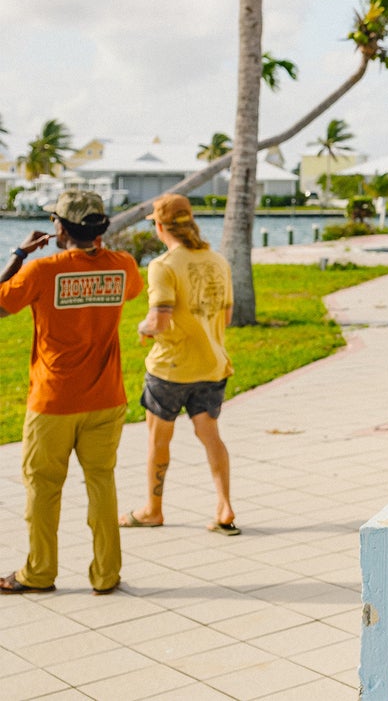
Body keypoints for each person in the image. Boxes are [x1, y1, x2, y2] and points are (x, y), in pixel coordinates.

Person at [0, 189, 143, 594]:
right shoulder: (125, 267)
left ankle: (39, 573)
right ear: (100, 228)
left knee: (43, 489)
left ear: (60, 227)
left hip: (53, 403)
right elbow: (128, 290)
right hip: (107, 399)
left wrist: (18, 253)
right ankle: (106, 574)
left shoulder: (42, 272)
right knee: (102, 485)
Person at [120, 193, 239, 535]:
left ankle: (153, 509)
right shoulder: (218, 261)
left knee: (159, 441)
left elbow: (158, 319)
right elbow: (227, 315)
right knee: (210, 435)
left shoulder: (163, 266)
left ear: (159, 226)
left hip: (169, 370)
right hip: (212, 365)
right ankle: (225, 506)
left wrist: (142, 328)